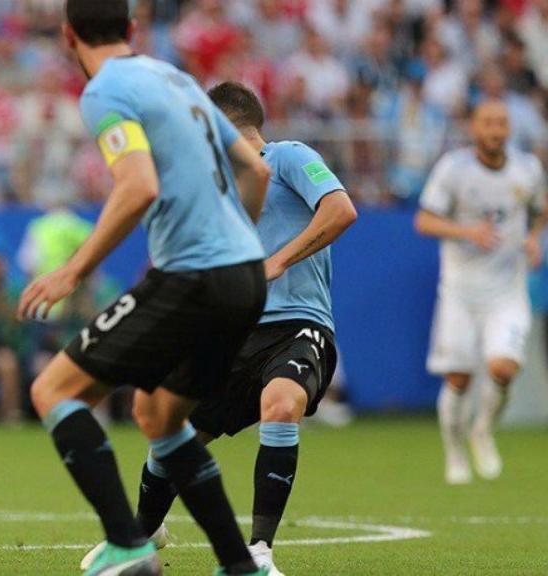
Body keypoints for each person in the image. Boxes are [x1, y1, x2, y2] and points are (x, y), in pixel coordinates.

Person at [18, 2, 272, 575]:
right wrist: (237, 245)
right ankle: (240, 566)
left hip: (195, 274)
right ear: (132, 31)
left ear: (67, 37)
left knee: (53, 390)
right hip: (245, 275)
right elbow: (257, 171)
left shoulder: (106, 90)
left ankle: (128, 544)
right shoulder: (176, 76)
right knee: (158, 414)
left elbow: (137, 186)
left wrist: (72, 270)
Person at [82, 81, 357, 576]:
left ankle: (259, 552)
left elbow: (341, 210)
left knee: (282, 401)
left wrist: (277, 261)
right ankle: (142, 534)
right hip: (231, 332)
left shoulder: (288, 156)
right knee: (173, 429)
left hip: (297, 323)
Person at [415, 99, 546, 485]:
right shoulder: (454, 169)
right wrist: (466, 231)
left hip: (507, 289)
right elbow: (423, 220)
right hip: (460, 291)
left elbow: (540, 208)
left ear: (509, 129)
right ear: (474, 128)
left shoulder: (528, 169)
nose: (495, 130)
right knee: (459, 377)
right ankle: (454, 451)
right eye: (488, 122)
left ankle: (482, 430)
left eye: (502, 123)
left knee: (503, 368)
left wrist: (534, 238)